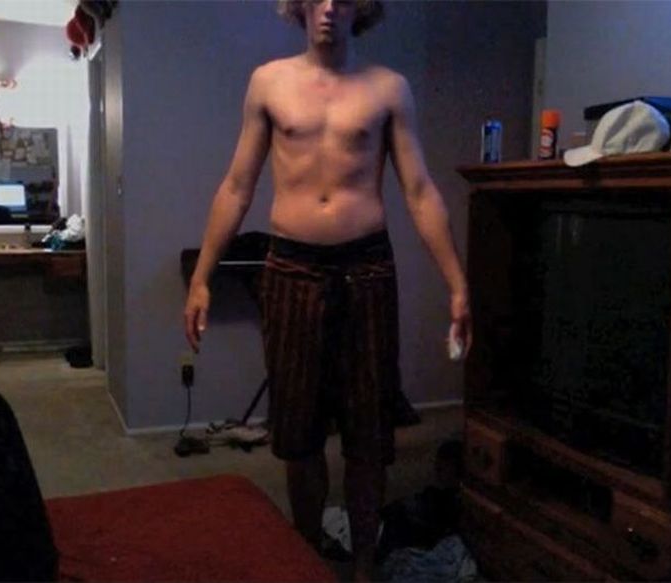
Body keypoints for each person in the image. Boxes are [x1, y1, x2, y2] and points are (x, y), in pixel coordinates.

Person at [183, 0, 471, 579]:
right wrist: (201, 277)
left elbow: (419, 191)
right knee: (299, 429)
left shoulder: (389, 88)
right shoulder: (269, 82)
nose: (329, 6)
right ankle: (308, 554)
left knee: (369, 431)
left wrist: (457, 284)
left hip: (368, 269)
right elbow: (237, 186)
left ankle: (363, 563)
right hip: (291, 268)